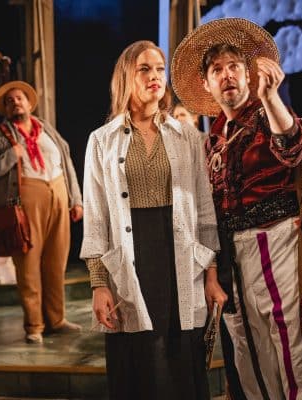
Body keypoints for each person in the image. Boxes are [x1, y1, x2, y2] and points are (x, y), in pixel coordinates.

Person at [171, 17, 302, 400]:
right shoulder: (213, 140)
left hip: (275, 240)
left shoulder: (265, 115)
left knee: (290, 347)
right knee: (251, 355)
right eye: (217, 70)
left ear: (248, 74)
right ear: (206, 83)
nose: (227, 75)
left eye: (234, 66)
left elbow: (292, 145)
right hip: (234, 254)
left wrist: (271, 98)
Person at [80, 40, 225, 400]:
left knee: (180, 360)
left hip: (179, 260)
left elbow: (204, 211)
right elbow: (96, 218)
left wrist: (211, 275)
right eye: (144, 69)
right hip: (130, 260)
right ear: (125, 77)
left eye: (160, 69)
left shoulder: (187, 137)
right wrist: (98, 284)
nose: (155, 76)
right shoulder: (101, 141)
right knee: (139, 362)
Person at [0, 81, 83, 344]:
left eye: (19, 98)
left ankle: (56, 320)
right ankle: (34, 324)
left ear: (28, 103)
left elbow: (66, 160)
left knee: (57, 260)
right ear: (5, 109)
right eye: (9, 101)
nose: (15, 103)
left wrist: (76, 199)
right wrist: (10, 156)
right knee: (29, 265)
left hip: (57, 191)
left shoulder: (45, 128)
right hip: (26, 199)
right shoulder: (0, 135)